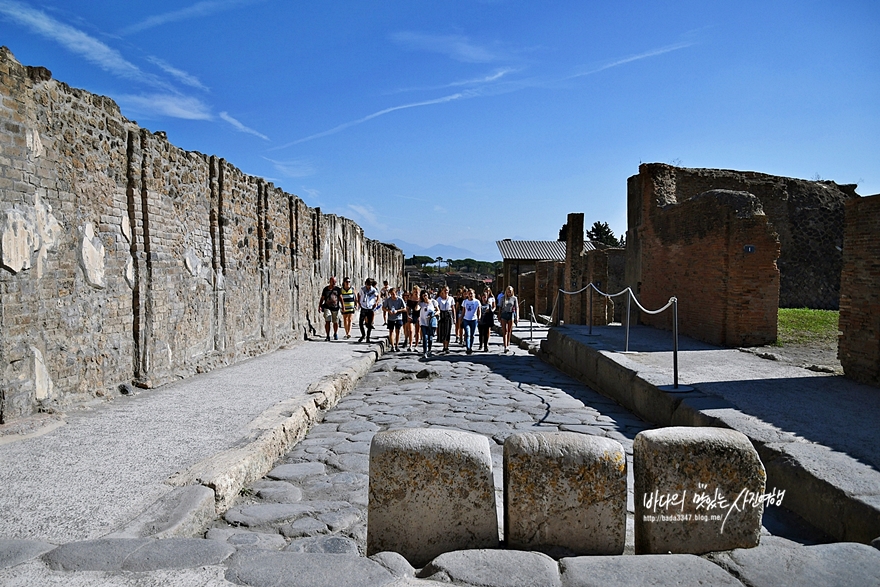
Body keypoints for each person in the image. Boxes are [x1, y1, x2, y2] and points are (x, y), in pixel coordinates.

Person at [357, 278, 380, 343]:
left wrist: (376, 302)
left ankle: (368, 337)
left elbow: (378, 296)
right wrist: (359, 302)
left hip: (370, 307)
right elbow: (359, 295)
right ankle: (363, 335)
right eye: (367, 284)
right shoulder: (362, 289)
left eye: (369, 285)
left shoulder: (373, 290)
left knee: (369, 324)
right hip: (364, 307)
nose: (368, 286)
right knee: (361, 322)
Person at [318, 276, 342, 341]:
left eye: (335, 281)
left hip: (335, 308)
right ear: (330, 281)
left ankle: (335, 333)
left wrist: (343, 306)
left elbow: (340, 298)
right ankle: (328, 335)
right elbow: (322, 298)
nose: (334, 283)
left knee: (335, 322)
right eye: (333, 281)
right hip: (327, 307)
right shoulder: (326, 289)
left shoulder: (337, 289)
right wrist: (319, 306)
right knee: (327, 321)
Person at [418, 290, 439, 358]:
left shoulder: (433, 302)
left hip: (431, 322)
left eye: (426, 295)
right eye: (423, 296)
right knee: (425, 336)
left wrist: (433, 315)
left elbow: (438, 311)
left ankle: (429, 350)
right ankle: (424, 352)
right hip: (423, 321)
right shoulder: (421, 303)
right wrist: (418, 302)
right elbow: (416, 309)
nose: (425, 297)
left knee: (430, 338)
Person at [460, 288, 481, 355]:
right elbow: (463, 311)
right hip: (466, 319)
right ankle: (468, 348)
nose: (470, 295)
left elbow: (479, 311)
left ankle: (471, 347)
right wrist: (461, 318)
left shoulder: (477, 302)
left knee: (472, 335)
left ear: (474, 294)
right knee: (467, 334)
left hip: (474, 320)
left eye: (471, 293)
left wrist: (479, 317)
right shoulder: (465, 302)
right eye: (469, 293)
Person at [435, 286, 455, 354]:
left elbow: (453, 308)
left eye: (447, 290)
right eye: (444, 290)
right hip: (441, 314)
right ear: (442, 291)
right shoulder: (439, 299)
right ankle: (444, 346)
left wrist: (454, 317)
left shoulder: (451, 298)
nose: (446, 291)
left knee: (447, 331)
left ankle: (447, 346)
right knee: (442, 331)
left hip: (448, 314)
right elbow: (437, 308)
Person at [499, 285, 519, 353]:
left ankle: (508, 343)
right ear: (506, 292)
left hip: (511, 314)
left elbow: (516, 307)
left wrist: (517, 316)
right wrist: (499, 316)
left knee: (509, 331)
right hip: (504, 314)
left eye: (510, 292)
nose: (509, 293)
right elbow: (500, 308)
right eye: (508, 291)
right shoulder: (503, 298)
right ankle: (505, 346)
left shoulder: (514, 298)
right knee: (505, 331)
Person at [407, 285, 421, 352]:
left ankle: (416, 345)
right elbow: (407, 308)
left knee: (417, 331)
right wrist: (407, 315)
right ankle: (410, 345)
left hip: (418, 315)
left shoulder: (420, 300)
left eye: (417, 291)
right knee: (411, 330)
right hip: (411, 315)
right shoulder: (410, 299)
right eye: (414, 291)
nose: (416, 292)